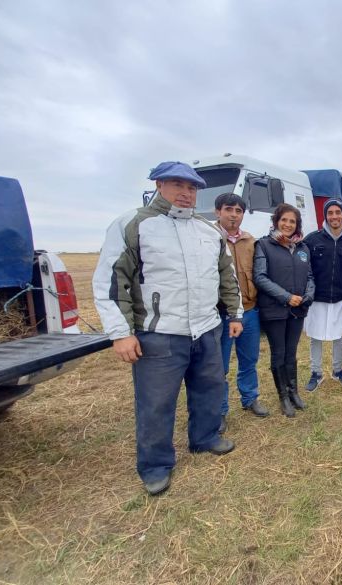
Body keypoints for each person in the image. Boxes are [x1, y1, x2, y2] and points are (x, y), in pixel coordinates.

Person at [93, 161, 242, 496]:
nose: (186, 193)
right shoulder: (134, 223)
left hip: (206, 329)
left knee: (209, 389)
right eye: (178, 185)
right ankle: (156, 464)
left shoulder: (208, 231)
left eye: (192, 188)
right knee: (156, 402)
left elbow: (226, 277)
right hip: (159, 333)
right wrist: (120, 332)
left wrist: (234, 315)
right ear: (159, 185)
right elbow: (111, 281)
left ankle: (204, 438)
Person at [253, 203, 314, 417]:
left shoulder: (302, 248)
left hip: (298, 310)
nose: (288, 224)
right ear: (276, 221)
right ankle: (283, 397)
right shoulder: (264, 245)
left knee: (291, 352)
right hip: (275, 310)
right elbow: (260, 277)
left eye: (292, 221)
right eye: (284, 220)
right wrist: (287, 297)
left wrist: (309, 295)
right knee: (278, 353)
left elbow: (309, 276)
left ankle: (294, 391)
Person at [214, 193, 269, 430]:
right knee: (220, 365)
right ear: (218, 212)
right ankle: (219, 410)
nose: (234, 215)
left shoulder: (251, 241)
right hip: (221, 314)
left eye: (238, 211)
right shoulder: (210, 238)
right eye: (229, 209)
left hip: (249, 311)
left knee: (249, 359)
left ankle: (250, 398)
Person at [303, 199, 342, 391]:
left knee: (338, 337)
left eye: (338, 212)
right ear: (325, 216)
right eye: (330, 213)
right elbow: (305, 270)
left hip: (341, 298)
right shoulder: (312, 240)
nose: (334, 216)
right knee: (316, 336)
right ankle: (316, 373)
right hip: (317, 298)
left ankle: (337, 371)